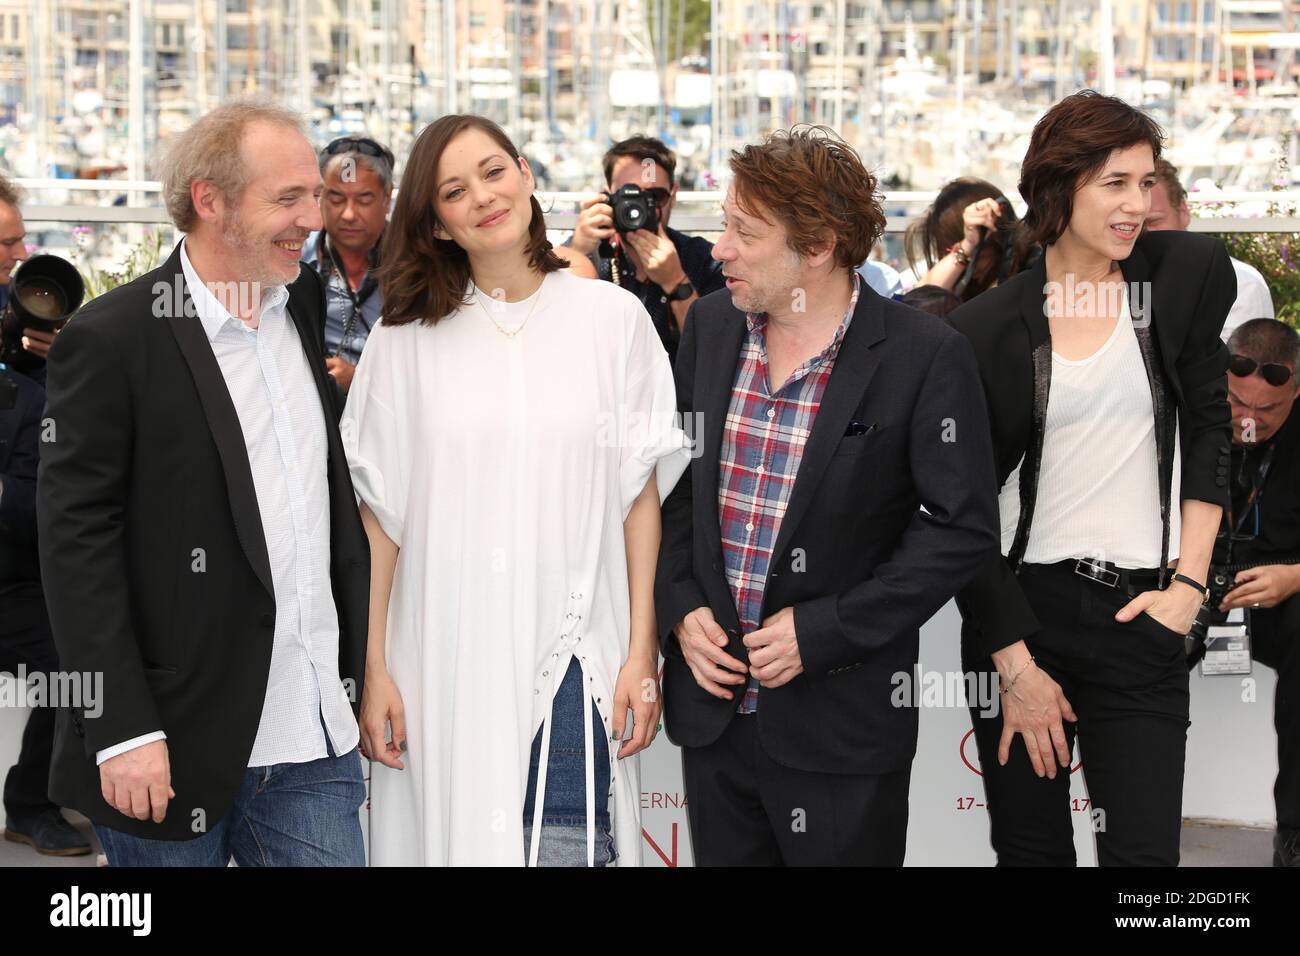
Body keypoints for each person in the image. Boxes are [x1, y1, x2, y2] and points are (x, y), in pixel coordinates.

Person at [342, 114, 689, 866]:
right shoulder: (402, 341)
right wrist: (375, 671)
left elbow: (639, 499)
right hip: (439, 653)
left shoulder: (614, 320)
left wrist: (641, 653)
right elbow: (381, 523)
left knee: (567, 847)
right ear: (435, 224)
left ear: (528, 175)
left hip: (575, 649)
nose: (484, 198)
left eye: (494, 171)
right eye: (455, 191)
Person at [654, 126, 1000, 866]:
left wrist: (826, 630)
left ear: (817, 247)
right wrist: (680, 610)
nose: (720, 249)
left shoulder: (925, 355)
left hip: (841, 728)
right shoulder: (711, 328)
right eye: (724, 224)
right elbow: (674, 488)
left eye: (745, 232)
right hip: (713, 716)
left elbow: (960, 530)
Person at [37, 101, 371, 866]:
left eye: (314, 196)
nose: (314, 218)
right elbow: (74, 545)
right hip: (167, 740)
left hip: (313, 735)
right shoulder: (114, 338)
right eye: (288, 199)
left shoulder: (301, 305)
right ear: (209, 200)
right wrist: (120, 726)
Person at [950, 90, 1237, 866]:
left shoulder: (1185, 276)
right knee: (1031, 848)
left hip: (1143, 611)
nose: (1136, 205)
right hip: (1021, 618)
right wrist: (1013, 662)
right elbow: (960, 508)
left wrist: (1189, 587)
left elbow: (1214, 431)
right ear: (1057, 187)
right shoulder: (984, 330)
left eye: (1145, 183)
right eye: (1115, 183)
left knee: (1144, 858)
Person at [1215, 319, 1300, 866]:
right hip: (1197, 580)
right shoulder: (1195, 413)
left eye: (1266, 410)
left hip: (1284, 589)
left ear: (1296, 389)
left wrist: (1295, 576)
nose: (1248, 418)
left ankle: (1293, 831)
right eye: (1237, 402)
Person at [0, 360, 91, 856]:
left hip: (14, 588)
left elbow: (41, 504)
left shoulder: (27, 400)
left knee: (71, 670)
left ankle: (31, 805)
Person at [567, 135, 725, 362]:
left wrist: (676, 282)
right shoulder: (587, 251)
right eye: (629, 195)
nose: (638, 209)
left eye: (654, 196)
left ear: (673, 196)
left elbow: (714, 351)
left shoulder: (701, 258)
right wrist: (577, 252)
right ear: (608, 197)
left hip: (676, 395)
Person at [301, 136, 394, 394]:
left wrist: (360, 379)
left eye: (364, 199)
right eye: (336, 199)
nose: (349, 214)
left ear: (387, 199)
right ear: (319, 197)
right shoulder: (291, 262)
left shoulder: (420, 266)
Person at [1144, 158, 1275, 341]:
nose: (1142, 234)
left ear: (1183, 212)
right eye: (1130, 224)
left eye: (1152, 222)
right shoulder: (1114, 283)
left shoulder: (1242, 284)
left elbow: (1242, 367)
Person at [902, 176, 1037, 301]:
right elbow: (916, 306)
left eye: (977, 254)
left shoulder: (1029, 271)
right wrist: (967, 245)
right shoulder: (962, 283)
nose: (969, 268)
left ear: (997, 238)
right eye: (950, 251)